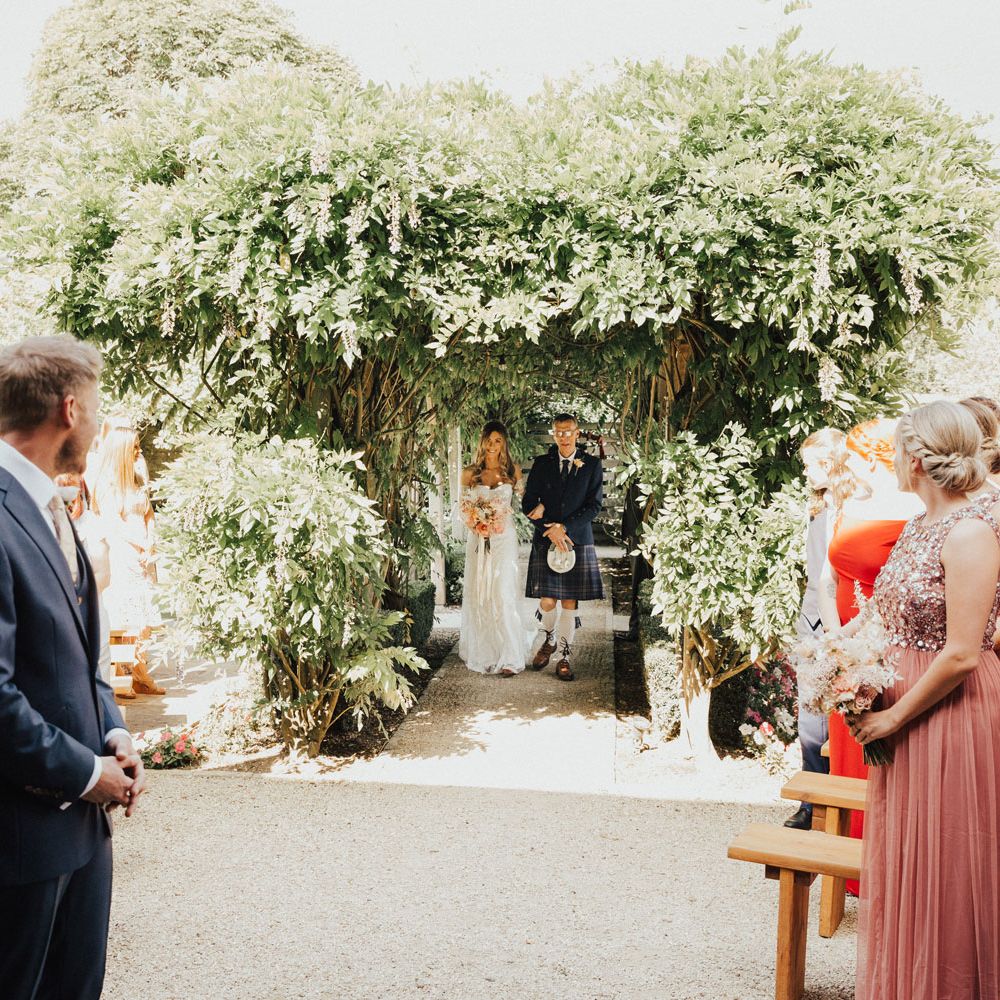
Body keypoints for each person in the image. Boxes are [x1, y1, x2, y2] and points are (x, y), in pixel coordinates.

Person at [0, 335, 146, 1000]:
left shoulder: (55, 506)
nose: (95, 419)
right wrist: (89, 774)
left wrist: (113, 733)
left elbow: (82, 655)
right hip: (19, 845)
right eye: (93, 406)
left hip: (85, 838)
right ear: (68, 410)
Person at [853, 400, 1000, 999]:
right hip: (907, 712)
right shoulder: (918, 525)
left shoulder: (970, 532)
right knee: (908, 861)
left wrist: (891, 713)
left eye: (896, 447)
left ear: (916, 458)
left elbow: (964, 651)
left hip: (948, 714)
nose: (891, 458)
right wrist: (848, 672)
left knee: (948, 866)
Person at [817, 418, 923, 890]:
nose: (850, 460)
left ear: (878, 454)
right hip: (845, 640)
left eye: (858, 452)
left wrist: (866, 645)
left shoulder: (914, 508)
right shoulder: (848, 499)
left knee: (880, 756)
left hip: (886, 645)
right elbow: (827, 576)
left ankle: (883, 873)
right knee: (846, 746)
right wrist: (834, 641)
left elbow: (908, 589)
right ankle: (849, 868)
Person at [783, 428, 845, 830]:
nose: (806, 474)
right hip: (812, 617)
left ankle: (827, 802)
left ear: (828, 462)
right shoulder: (820, 507)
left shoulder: (850, 507)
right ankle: (812, 802)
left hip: (837, 621)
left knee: (831, 716)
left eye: (810, 466)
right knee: (810, 718)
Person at [521, 412, 604, 682]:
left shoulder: (591, 464)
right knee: (547, 601)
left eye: (568, 431)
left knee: (569, 602)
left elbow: (594, 505)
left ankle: (565, 656)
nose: (564, 436)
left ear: (577, 433)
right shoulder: (542, 463)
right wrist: (549, 527)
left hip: (576, 539)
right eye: (559, 431)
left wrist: (564, 528)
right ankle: (550, 639)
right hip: (546, 539)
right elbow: (528, 503)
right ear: (554, 434)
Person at [92, 423, 165, 695]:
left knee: (145, 616)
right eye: (134, 446)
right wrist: (139, 544)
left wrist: (151, 541)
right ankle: (121, 675)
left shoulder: (137, 476)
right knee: (126, 614)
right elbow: (112, 523)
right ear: (121, 449)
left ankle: (140, 672)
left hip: (144, 552)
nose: (139, 450)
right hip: (123, 552)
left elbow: (148, 513)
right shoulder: (107, 483)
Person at [457, 421, 529, 676]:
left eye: (498, 440)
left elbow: (527, 503)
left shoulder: (513, 472)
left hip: (504, 540)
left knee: (504, 593)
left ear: (504, 444)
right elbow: (462, 509)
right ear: (482, 441)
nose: (492, 445)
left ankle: (511, 656)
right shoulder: (469, 474)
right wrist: (476, 521)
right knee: (481, 595)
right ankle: (486, 652)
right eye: (489, 439)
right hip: (478, 541)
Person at [56, 473, 114, 686]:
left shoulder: (93, 524)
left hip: (88, 608)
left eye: (73, 493)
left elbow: (103, 575)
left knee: (98, 672)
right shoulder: (47, 522)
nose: (69, 502)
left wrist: (76, 600)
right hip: (58, 614)